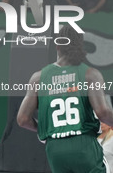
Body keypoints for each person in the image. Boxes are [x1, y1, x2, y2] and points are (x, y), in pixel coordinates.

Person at [17, 25, 113, 172]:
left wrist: (45, 129)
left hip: (54, 147)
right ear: (80, 44)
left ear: (57, 45)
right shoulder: (90, 74)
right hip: (82, 142)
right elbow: (103, 113)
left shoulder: (38, 78)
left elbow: (22, 119)